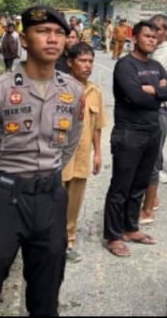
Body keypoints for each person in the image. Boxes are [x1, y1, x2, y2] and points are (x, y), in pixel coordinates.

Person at [0, 5, 84, 316]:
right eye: (43, 32)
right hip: (5, 197)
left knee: (46, 291)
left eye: (58, 33)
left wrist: (48, 175)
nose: (52, 39)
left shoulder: (73, 91)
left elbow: (69, 143)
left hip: (51, 197)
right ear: (25, 40)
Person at [103, 21, 167, 258]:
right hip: (129, 132)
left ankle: (130, 227)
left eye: (155, 37)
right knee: (120, 186)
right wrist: (158, 91)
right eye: (147, 36)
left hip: (152, 131)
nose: (152, 40)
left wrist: (151, 90)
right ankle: (113, 236)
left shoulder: (155, 65)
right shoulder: (125, 65)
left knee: (139, 185)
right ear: (134, 37)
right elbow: (135, 96)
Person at [62, 43, 107, 263]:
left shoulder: (95, 91)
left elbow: (97, 126)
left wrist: (97, 153)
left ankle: (68, 241)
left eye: (90, 61)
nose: (87, 65)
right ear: (70, 62)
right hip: (60, 158)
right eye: (82, 60)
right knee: (53, 200)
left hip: (82, 156)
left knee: (74, 201)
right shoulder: (58, 88)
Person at [140, 15, 167, 224]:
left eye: (158, 29)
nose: (154, 33)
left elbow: (145, 77)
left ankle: (150, 205)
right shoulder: (155, 51)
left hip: (160, 110)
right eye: (151, 29)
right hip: (151, 108)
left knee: (152, 159)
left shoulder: (166, 52)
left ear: (165, 32)